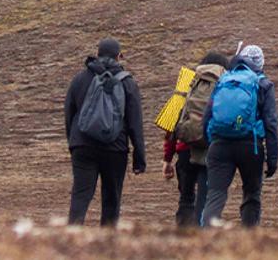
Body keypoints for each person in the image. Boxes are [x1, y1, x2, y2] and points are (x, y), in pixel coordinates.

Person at [63, 37, 146, 226]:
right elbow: (135, 122)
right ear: (119, 57)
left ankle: (70, 241)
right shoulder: (127, 82)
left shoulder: (80, 79)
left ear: (97, 54)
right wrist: (139, 157)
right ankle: (107, 247)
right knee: (111, 200)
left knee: (80, 196)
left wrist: (73, 142)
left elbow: (69, 112)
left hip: (82, 146)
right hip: (115, 148)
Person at [199, 44, 278, 228]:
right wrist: (272, 158)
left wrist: (211, 142)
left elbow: (206, 116)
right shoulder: (263, 84)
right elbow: (271, 123)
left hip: (220, 144)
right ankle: (248, 243)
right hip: (251, 146)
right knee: (251, 194)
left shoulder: (224, 79)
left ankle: (205, 242)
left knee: (215, 194)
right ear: (261, 64)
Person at [164, 50, 230, 227]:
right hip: (211, 150)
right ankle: (201, 239)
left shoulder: (188, 80)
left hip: (185, 149)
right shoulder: (226, 82)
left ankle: (182, 238)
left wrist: (167, 159)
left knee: (186, 198)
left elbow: (171, 123)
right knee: (204, 197)